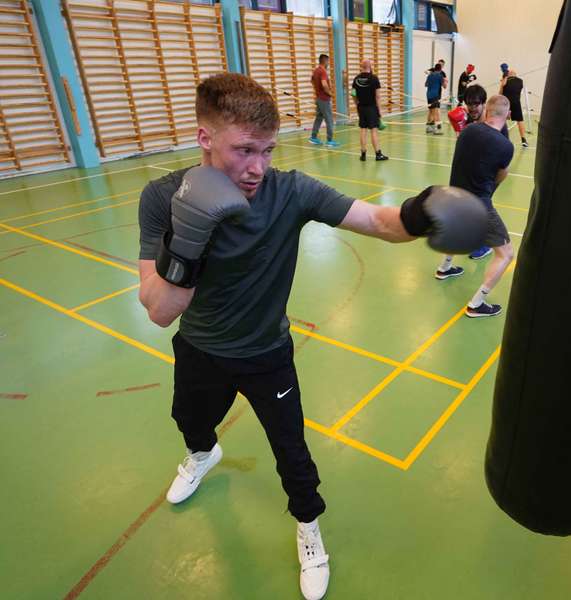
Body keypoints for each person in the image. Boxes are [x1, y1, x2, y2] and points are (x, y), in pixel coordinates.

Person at [138, 73, 486, 600]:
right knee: (188, 421)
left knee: (293, 455)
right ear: (205, 137)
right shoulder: (163, 198)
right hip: (199, 349)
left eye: (268, 150)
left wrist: (420, 213)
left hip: (267, 354)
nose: (257, 168)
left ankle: (309, 531)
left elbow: (378, 221)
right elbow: (161, 311)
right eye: (244, 150)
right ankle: (202, 454)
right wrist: (189, 237)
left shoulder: (291, 191)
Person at [434, 95, 516, 318]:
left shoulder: (467, 130)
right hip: (478, 204)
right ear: (507, 116)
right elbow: (500, 176)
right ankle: (477, 303)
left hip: (454, 196)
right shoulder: (506, 147)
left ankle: (445, 268)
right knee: (506, 254)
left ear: (486, 111)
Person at [447, 84, 508, 261]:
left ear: (483, 104)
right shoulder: (466, 120)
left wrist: (492, 185)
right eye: (469, 104)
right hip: (467, 173)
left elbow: (504, 162)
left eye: (476, 104)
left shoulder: (497, 126)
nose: (472, 108)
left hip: (486, 176)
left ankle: (481, 244)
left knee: (480, 208)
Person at [352, 59, 388, 162]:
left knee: (363, 130)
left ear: (361, 66)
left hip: (361, 107)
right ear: (370, 66)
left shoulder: (356, 79)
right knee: (374, 131)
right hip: (371, 108)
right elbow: (377, 96)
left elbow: (353, 94)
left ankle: (363, 154)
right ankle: (378, 154)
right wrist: (380, 111)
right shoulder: (374, 78)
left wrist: (357, 104)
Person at [309, 54, 339, 147]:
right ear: (325, 61)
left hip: (318, 98)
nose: (328, 64)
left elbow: (312, 80)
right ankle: (330, 140)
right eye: (328, 62)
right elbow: (324, 84)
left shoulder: (316, 71)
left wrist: (317, 91)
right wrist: (330, 93)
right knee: (329, 119)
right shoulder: (323, 71)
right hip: (324, 99)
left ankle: (313, 137)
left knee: (319, 118)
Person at [500, 68, 528, 147]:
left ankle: (503, 139)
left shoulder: (505, 81)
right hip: (516, 103)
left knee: (502, 120)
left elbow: (500, 94)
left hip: (506, 103)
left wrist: (502, 83)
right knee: (520, 120)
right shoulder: (520, 81)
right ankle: (524, 140)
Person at [424, 62, 447, 135]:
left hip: (428, 95)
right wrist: (445, 81)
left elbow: (426, 84)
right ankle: (435, 130)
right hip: (435, 95)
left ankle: (428, 128)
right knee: (435, 112)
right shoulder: (440, 76)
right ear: (440, 70)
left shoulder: (430, 75)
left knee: (430, 112)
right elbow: (444, 86)